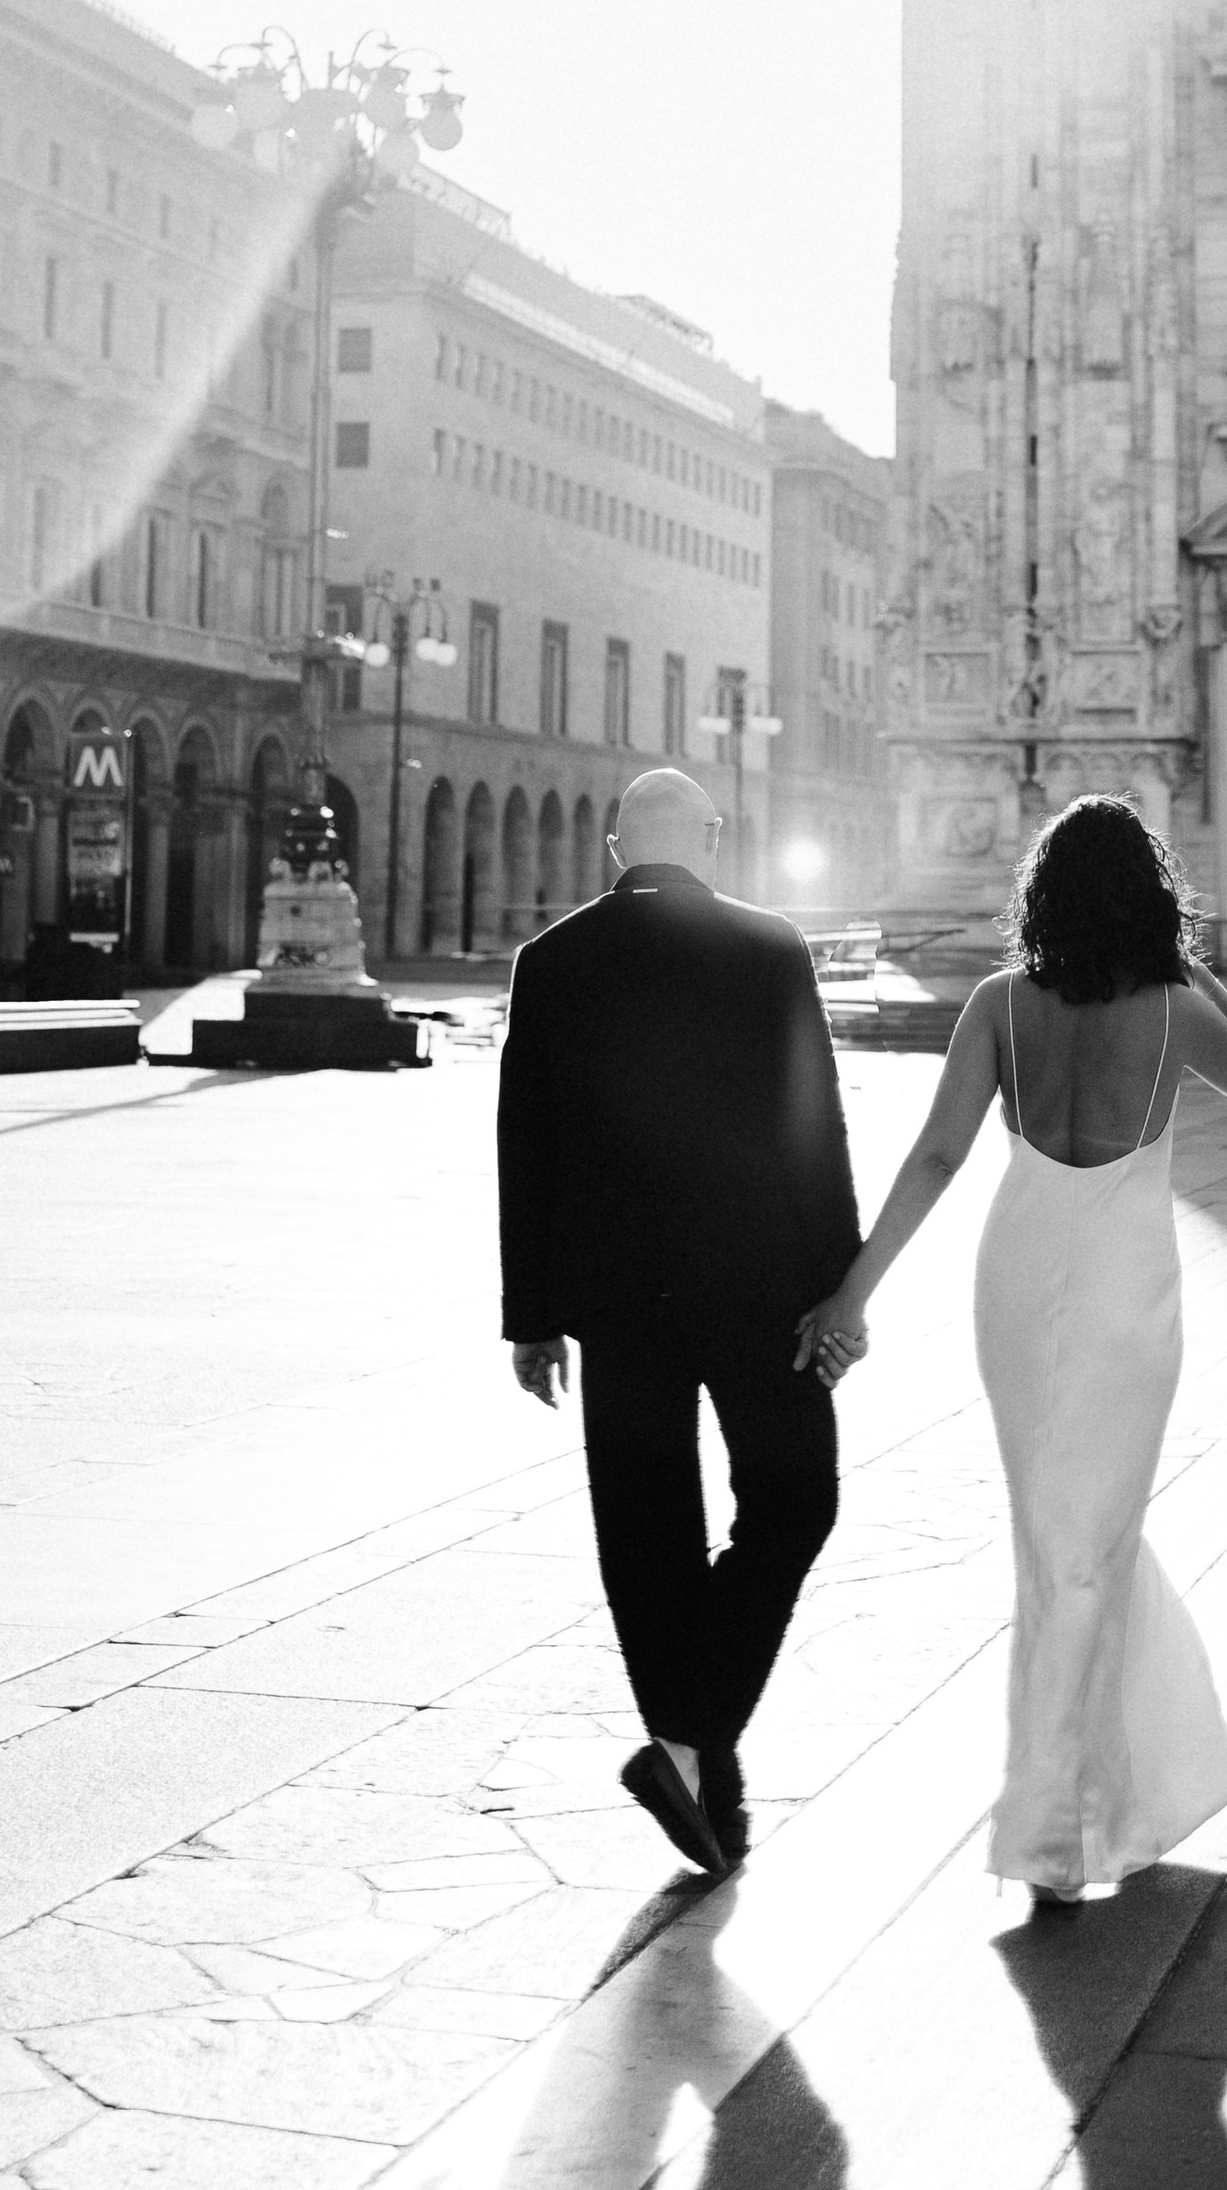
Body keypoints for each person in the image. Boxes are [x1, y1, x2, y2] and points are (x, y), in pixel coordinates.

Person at [795, 794, 1227, 1903]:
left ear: (1043, 895)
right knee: (1094, 1537)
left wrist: (851, 1294)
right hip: (1124, 1289)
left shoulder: (997, 1003)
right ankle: (1063, 1819)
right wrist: (1187, 969)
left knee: (1050, 1539)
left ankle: (1071, 1809)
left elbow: (934, 1155)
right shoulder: (1173, 1004)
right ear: (1151, 898)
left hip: (1017, 1276)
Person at [497, 764, 860, 1883]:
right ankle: (701, 1753)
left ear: (613, 846)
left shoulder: (552, 960)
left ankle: (690, 1747)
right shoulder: (770, 947)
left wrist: (532, 1314)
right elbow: (817, 1126)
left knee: (645, 1533)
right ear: (712, 836)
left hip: (614, 1299)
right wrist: (841, 1289)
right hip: (761, 1287)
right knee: (797, 1495)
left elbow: (527, 1142)